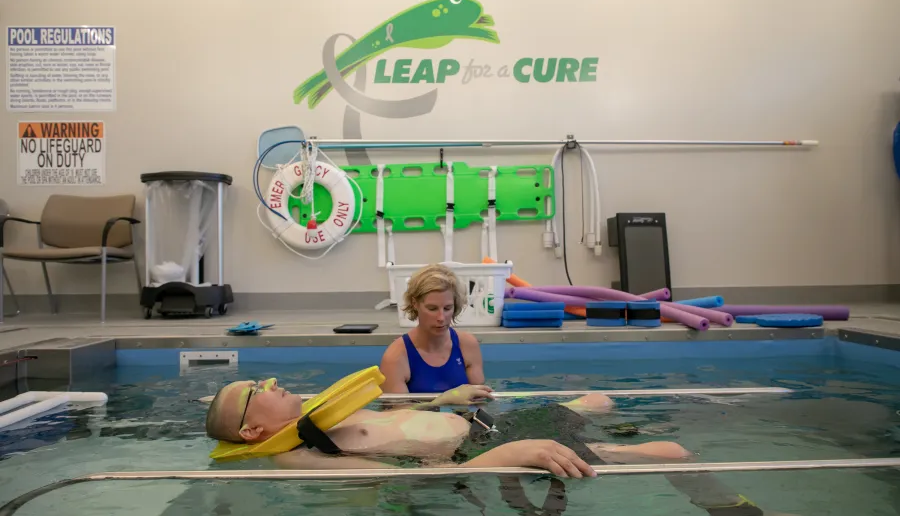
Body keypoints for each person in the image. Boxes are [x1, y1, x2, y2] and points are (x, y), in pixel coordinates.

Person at [205, 378, 795, 515]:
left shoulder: (319, 414)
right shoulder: (296, 454)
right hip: (486, 452)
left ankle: (600, 430)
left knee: (599, 400)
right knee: (673, 452)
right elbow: (411, 481)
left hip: (487, 425)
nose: (274, 383)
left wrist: (446, 398)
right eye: (258, 390)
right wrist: (519, 454)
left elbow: (397, 415)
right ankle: (737, 510)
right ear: (253, 431)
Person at [379, 263, 493, 403]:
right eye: (432, 308)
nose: (441, 317)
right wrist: (444, 400)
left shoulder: (467, 345)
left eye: (447, 308)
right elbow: (398, 416)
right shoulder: (396, 357)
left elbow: (479, 403)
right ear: (415, 304)